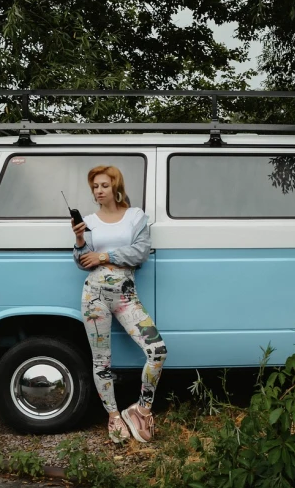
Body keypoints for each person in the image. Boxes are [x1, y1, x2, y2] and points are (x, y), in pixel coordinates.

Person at [71, 165, 166, 443]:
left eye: (103, 185)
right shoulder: (89, 221)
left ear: (116, 186)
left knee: (157, 351)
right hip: (94, 297)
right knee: (102, 360)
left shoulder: (135, 217)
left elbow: (140, 252)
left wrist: (104, 256)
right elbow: (82, 261)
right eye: (94, 188)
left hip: (126, 296)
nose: (98, 191)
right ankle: (113, 417)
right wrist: (79, 240)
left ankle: (141, 409)